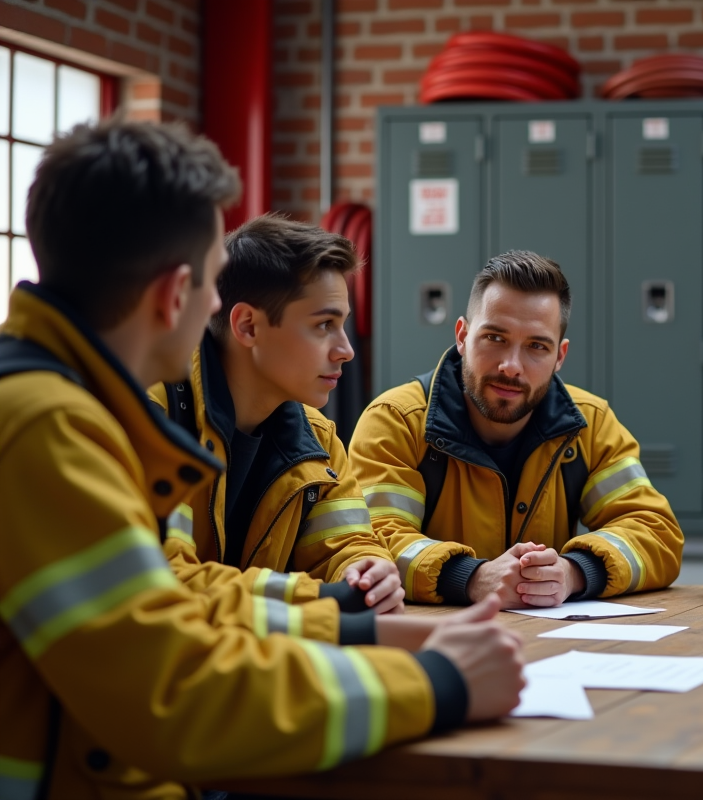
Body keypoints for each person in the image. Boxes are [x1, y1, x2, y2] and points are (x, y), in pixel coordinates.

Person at [0, 119, 523, 799]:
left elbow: (173, 617)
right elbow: (177, 693)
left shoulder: (63, 408)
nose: (214, 307)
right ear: (174, 294)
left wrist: (360, 621)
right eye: (212, 284)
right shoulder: (50, 426)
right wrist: (437, 682)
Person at [349, 250, 684, 607]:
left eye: (536, 346)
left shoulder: (590, 424)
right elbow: (370, 544)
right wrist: (471, 577)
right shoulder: (396, 421)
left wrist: (573, 572)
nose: (511, 366)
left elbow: (656, 534)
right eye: (495, 338)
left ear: (560, 357)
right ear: (462, 336)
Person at [149, 215, 403, 647]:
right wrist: (324, 598)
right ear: (247, 326)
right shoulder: (156, 417)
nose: (346, 349)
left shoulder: (318, 439)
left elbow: (346, 546)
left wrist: (367, 572)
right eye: (324, 325)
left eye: (343, 324)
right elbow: (169, 579)